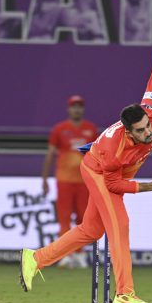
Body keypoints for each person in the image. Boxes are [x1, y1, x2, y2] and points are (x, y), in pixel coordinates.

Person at [19, 27, 152, 303]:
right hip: (98, 171)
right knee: (119, 225)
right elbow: (114, 185)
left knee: (91, 230)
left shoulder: (150, 111)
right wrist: (151, 186)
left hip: (111, 171)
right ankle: (124, 294)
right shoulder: (115, 150)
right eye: (141, 131)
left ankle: (35, 259)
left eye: (148, 126)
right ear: (128, 131)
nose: (149, 133)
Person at [40, 95, 98, 266]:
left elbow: (96, 155)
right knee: (64, 218)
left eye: (80, 106)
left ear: (83, 109)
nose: (77, 109)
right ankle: (64, 255)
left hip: (84, 181)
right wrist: (44, 179)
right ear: (69, 109)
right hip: (64, 180)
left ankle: (80, 254)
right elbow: (50, 154)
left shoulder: (91, 129)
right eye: (74, 106)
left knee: (83, 218)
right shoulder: (59, 129)